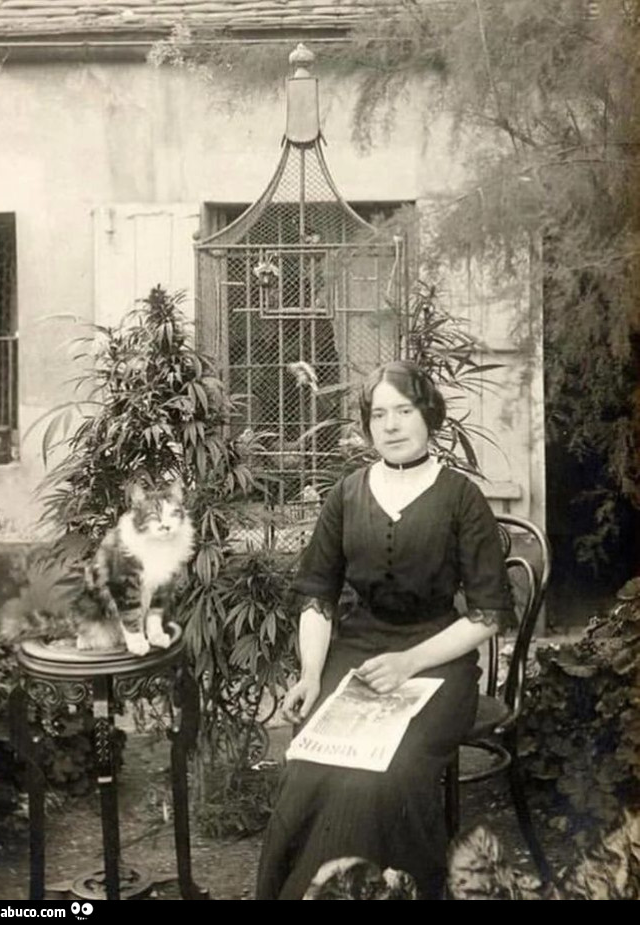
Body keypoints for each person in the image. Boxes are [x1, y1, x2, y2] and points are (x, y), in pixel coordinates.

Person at [256, 360, 514, 900]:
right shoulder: (347, 494)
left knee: (384, 773)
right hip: (358, 653)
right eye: (379, 414)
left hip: (438, 663)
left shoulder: (460, 497)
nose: (391, 425)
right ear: (367, 425)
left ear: (428, 416)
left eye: (404, 410)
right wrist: (309, 674)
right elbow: (317, 595)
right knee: (310, 761)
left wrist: (409, 663)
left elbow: (487, 615)